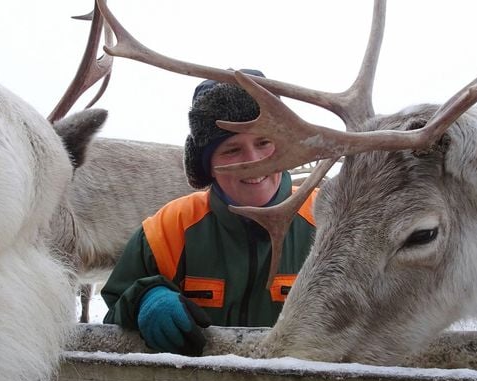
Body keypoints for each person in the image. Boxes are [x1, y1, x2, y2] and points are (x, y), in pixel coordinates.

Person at [101, 70, 318, 356]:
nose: (254, 161)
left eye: (264, 142)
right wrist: (144, 299)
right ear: (207, 166)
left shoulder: (326, 220)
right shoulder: (170, 228)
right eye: (232, 149)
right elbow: (116, 306)